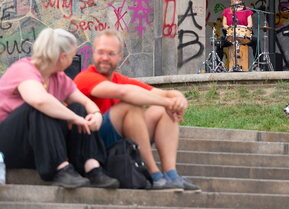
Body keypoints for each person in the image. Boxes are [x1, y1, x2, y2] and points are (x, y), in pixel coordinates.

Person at [74, 30, 199, 190]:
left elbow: (164, 93)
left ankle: (171, 174)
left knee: (161, 111)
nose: (105, 57)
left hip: (120, 143)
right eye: (101, 52)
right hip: (95, 144)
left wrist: (179, 99)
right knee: (130, 105)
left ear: (120, 56)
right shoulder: (85, 77)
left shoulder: (120, 79)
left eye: (111, 53)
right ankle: (155, 175)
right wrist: (169, 103)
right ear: (93, 53)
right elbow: (124, 93)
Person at [0, 28, 118, 188]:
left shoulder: (59, 78)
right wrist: (73, 118)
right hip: (10, 145)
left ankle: (93, 169)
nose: (72, 59)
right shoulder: (22, 69)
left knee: (78, 108)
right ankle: (61, 169)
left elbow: (85, 103)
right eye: (71, 56)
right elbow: (39, 100)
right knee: (38, 108)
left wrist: (96, 114)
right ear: (62, 57)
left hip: (39, 147)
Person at [222, 0, 256, 71]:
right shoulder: (227, 11)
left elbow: (250, 24)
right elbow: (224, 25)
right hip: (231, 36)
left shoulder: (247, 10)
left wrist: (244, 28)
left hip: (244, 36)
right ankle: (218, 66)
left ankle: (257, 64)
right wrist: (230, 28)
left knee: (256, 41)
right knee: (220, 43)